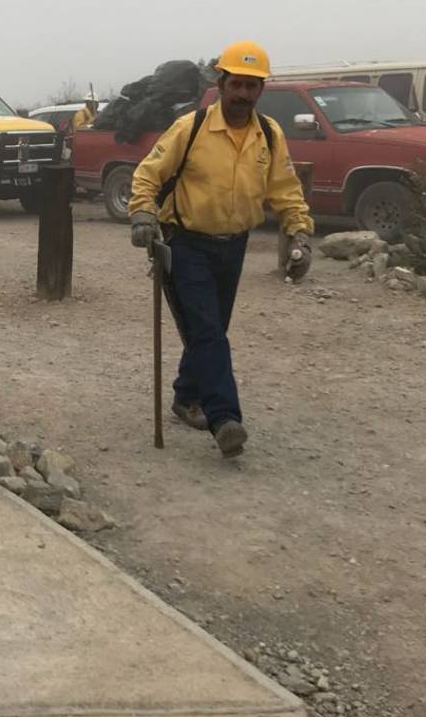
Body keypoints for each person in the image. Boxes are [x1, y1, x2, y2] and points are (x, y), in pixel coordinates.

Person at [128, 40, 313, 458]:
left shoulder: (269, 134)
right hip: (185, 243)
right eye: (237, 85)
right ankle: (225, 418)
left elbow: (285, 189)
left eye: (252, 86)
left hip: (234, 245)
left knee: (209, 331)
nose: (243, 94)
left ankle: (185, 395)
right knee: (208, 331)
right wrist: (142, 213)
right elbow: (148, 173)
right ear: (220, 82)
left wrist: (299, 231)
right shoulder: (189, 128)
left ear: (260, 89)